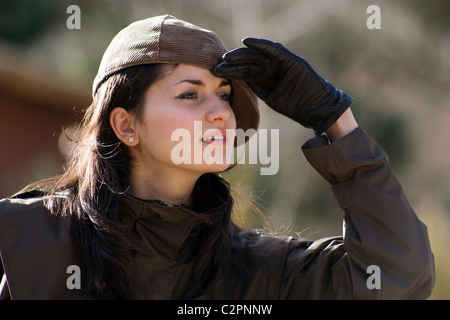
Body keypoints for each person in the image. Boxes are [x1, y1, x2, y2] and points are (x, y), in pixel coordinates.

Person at [0, 14, 434, 300]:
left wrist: (335, 119)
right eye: (190, 94)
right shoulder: (23, 240)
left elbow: (399, 276)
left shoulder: (263, 270)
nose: (220, 113)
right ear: (126, 125)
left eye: (225, 96)